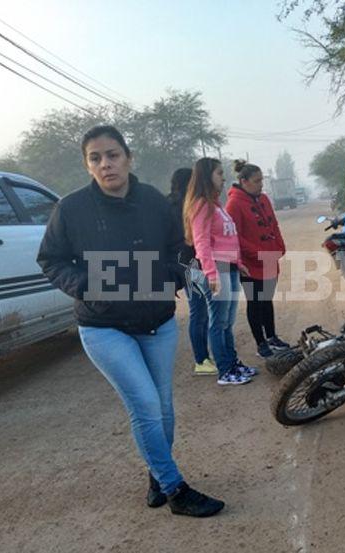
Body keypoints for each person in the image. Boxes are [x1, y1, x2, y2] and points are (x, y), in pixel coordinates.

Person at [37, 125, 224, 517]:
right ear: (88, 165)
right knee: (145, 407)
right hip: (104, 327)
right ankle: (175, 489)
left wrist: (175, 278)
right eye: (95, 158)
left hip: (157, 322)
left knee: (165, 409)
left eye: (112, 155)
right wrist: (86, 286)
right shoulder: (71, 210)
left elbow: (180, 251)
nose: (105, 164)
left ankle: (158, 473)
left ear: (128, 157)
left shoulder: (155, 202)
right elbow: (51, 260)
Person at [184, 157, 257, 386]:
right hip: (216, 269)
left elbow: (227, 239)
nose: (223, 178)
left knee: (227, 322)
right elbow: (202, 244)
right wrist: (212, 274)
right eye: (218, 174)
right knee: (218, 322)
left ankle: (233, 363)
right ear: (207, 177)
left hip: (229, 267)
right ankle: (225, 371)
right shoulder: (201, 205)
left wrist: (238, 262)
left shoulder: (215, 205)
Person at [225, 159, 291, 359]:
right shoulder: (234, 204)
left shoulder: (263, 199)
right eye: (256, 180)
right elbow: (234, 237)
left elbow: (274, 225)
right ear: (244, 181)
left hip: (270, 259)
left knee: (266, 301)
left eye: (261, 180)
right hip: (250, 264)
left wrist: (280, 247)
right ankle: (261, 343)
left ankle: (272, 337)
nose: (261, 184)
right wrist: (257, 253)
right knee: (255, 303)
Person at [168, 167, 217, 376]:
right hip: (194, 265)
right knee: (200, 312)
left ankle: (203, 357)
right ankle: (201, 359)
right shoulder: (188, 205)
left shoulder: (166, 204)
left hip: (183, 266)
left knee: (199, 311)